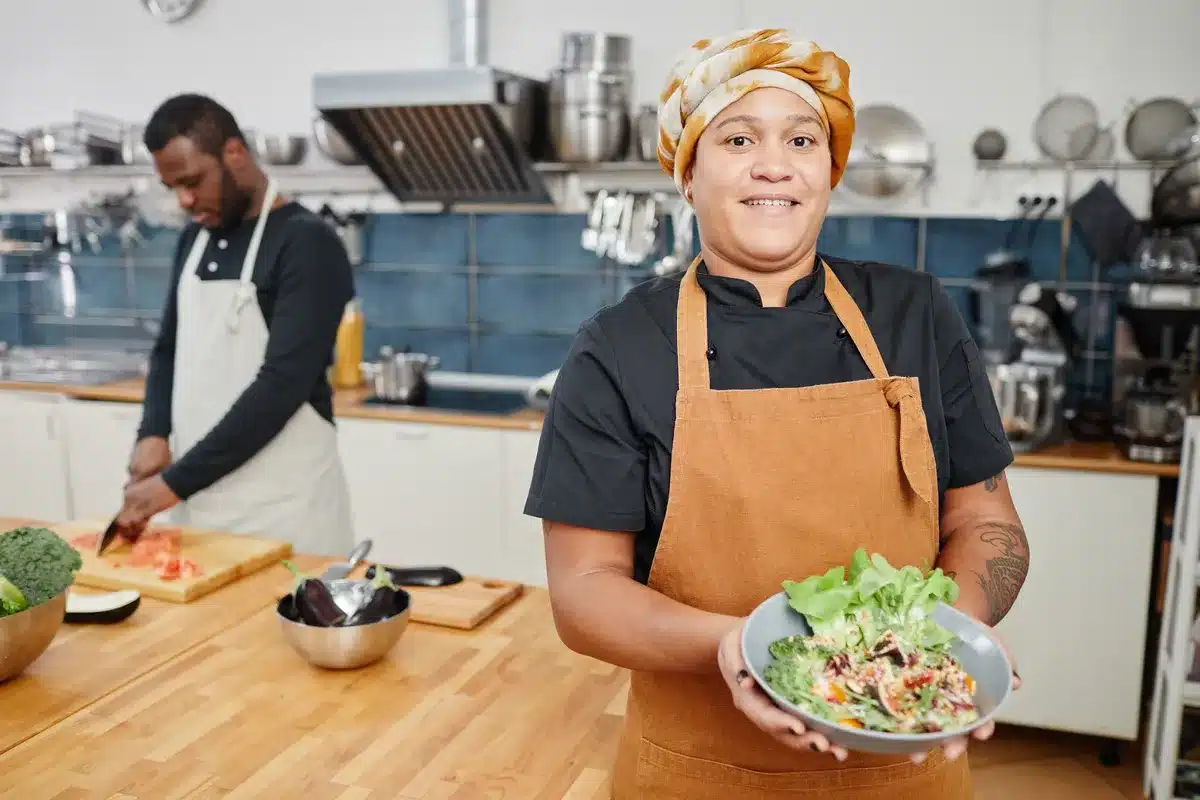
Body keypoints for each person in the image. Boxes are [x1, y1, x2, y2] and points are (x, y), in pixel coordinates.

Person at [524, 29, 1029, 800]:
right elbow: (584, 593)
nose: (774, 163)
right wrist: (736, 646)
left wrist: (944, 639)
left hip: (904, 766)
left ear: (828, 171)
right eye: (737, 137)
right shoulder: (619, 348)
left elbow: (988, 523)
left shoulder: (915, 315)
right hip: (694, 771)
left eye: (801, 138)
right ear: (687, 174)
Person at [117, 93, 356, 557]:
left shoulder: (307, 243)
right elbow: (169, 348)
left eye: (192, 182)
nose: (185, 201)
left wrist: (172, 483)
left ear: (234, 153)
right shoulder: (195, 239)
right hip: (202, 506)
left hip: (286, 514)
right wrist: (154, 431)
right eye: (173, 189)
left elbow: (282, 385)